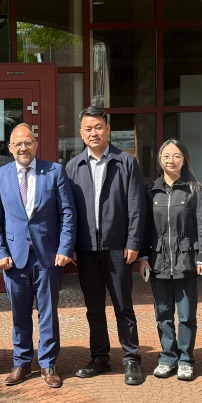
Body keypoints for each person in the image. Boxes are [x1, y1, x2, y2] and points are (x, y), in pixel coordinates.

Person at [0, 123, 76, 388]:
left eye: (28, 142)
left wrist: (65, 248)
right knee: (19, 313)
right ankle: (22, 362)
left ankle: (48, 364)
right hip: (14, 259)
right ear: (10, 148)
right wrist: (0, 252)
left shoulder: (55, 171)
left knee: (48, 312)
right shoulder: (0, 176)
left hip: (48, 256)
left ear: (36, 144)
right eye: (18, 144)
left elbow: (67, 214)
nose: (23, 148)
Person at [64, 106, 146, 385]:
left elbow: (136, 205)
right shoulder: (73, 166)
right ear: (81, 133)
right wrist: (71, 245)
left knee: (124, 305)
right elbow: (69, 211)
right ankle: (100, 357)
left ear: (107, 129)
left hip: (118, 248)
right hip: (87, 250)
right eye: (88, 128)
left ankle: (132, 358)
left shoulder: (125, 162)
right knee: (94, 307)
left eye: (98, 127)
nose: (93, 132)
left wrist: (134, 241)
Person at [139, 139, 202, 382]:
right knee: (162, 314)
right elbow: (144, 228)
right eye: (166, 156)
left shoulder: (195, 190)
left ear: (185, 159)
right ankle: (167, 357)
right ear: (159, 160)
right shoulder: (150, 190)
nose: (171, 160)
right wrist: (143, 257)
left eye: (176, 156)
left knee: (186, 315)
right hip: (158, 260)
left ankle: (185, 359)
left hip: (186, 260)